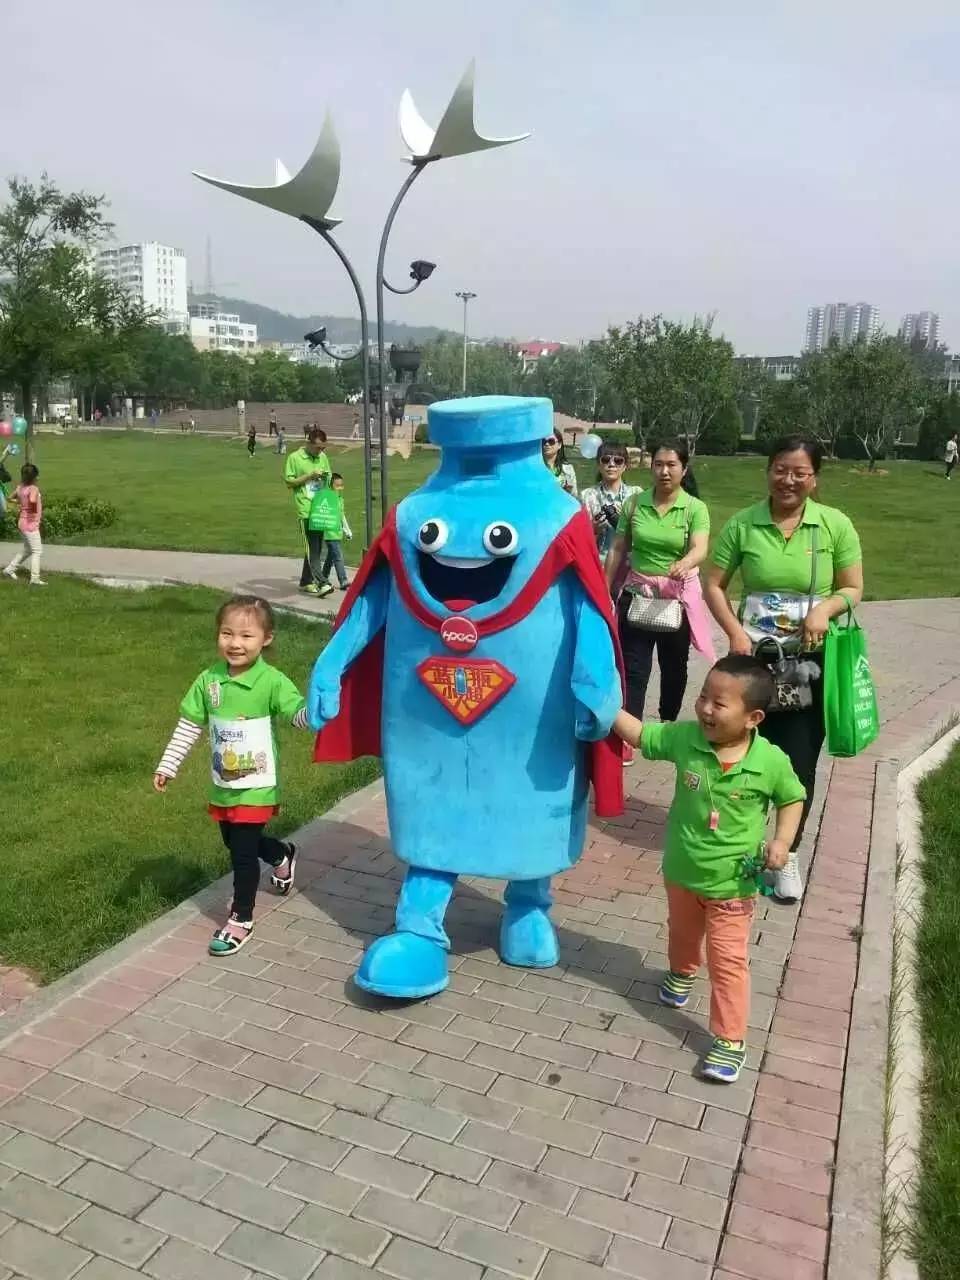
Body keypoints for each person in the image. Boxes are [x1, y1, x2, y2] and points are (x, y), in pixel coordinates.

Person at [614, 656, 805, 1082]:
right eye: (703, 697)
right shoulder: (687, 738)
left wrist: (782, 841)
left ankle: (730, 1040)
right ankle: (682, 974)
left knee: (727, 962)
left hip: (733, 885)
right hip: (682, 872)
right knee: (682, 935)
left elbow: (792, 797)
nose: (704, 709)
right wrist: (605, 705)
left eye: (719, 703)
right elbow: (642, 735)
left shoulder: (770, 761)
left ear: (753, 718)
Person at [703, 433, 864, 903]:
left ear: (815, 478)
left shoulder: (833, 525)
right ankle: (742, 845)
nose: (788, 480)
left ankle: (787, 852)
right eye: (780, 469)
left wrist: (825, 609)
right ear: (768, 470)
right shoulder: (744, 524)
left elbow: (853, 587)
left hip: (807, 665)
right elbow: (714, 584)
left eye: (799, 473)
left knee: (797, 761)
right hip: (753, 662)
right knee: (739, 752)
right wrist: (734, 631)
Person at [153, 596, 311, 955]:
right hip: (224, 783)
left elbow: (297, 716)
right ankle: (281, 855)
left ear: (266, 639)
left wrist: (316, 712)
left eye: (246, 636)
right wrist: (168, 765)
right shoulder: (209, 680)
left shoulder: (271, 681)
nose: (235, 643)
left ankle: (241, 919)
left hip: (257, 785)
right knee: (235, 842)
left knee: (241, 854)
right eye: (227, 633)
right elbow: (189, 725)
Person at [604, 440, 714, 726]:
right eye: (658, 465)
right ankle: (632, 730)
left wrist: (686, 562)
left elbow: (700, 547)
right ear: (651, 467)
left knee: (673, 668)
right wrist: (605, 588)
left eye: (671, 465)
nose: (664, 471)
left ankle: (667, 726)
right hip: (637, 595)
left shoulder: (695, 508)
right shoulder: (634, 503)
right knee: (633, 669)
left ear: (684, 469)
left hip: (675, 600)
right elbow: (618, 547)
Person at [284, 426, 334, 597]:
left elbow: (329, 478)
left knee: (316, 547)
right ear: (309, 443)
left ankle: (306, 581)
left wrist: (325, 477)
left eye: (323, 448)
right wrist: (309, 476)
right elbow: (289, 482)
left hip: (320, 508)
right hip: (305, 509)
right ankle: (322, 582)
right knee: (312, 547)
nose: (320, 451)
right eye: (318, 447)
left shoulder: (323, 457)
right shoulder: (295, 458)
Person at [581, 445, 642, 559]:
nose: (611, 464)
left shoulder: (636, 494)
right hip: (598, 561)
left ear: (625, 466)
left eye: (618, 461)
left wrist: (627, 521)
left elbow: (645, 533)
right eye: (606, 460)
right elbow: (579, 538)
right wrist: (593, 529)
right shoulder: (587, 495)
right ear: (598, 465)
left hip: (629, 561)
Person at [3, 464, 45, 586]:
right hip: (30, 524)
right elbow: (32, 500)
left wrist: (21, 502)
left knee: (27, 550)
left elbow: (9, 498)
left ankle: (9, 570)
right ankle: (35, 578)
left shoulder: (20, 487)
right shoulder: (34, 489)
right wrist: (32, 508)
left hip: (22, 522)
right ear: (34, 477)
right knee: (37, 551)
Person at [321, 473, 352, 590]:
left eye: (341, 485)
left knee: (331, 557)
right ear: (331, 485)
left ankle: (323, 577)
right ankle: (343, 580)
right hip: (329, 533)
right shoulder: (327, 498)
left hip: (337, 532)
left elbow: (341, 516)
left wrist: (347, 530)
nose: (340, 488)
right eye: (337, 485)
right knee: (338, 556)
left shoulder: (340, 499)